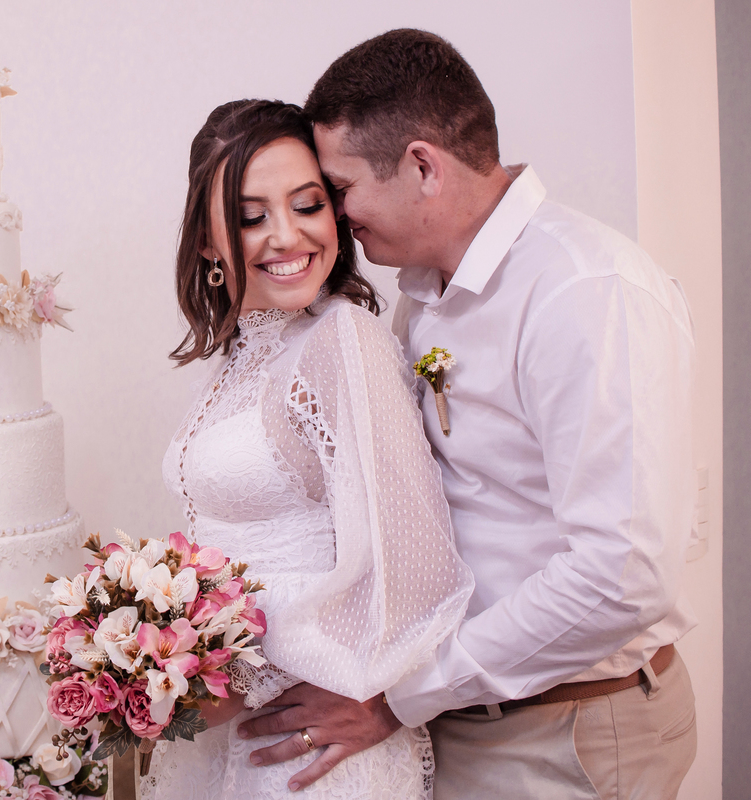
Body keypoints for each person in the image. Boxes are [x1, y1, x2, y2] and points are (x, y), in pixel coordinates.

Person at [237, 29, 699, 799]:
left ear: (422, 166)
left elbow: (621, 576)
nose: (337, 217)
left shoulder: (586, 293)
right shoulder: (423, 294)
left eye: (340, 188)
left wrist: (398, 698)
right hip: (459, 713)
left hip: (568, 727)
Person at [139, 99, 473, 800]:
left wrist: (232, 677)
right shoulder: (242, 353)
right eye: (251, 216)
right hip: (237, 726)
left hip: (313, 736)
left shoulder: (343, 338)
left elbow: (411, 568)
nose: (286, 236)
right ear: (207, 241)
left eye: (308, 205)